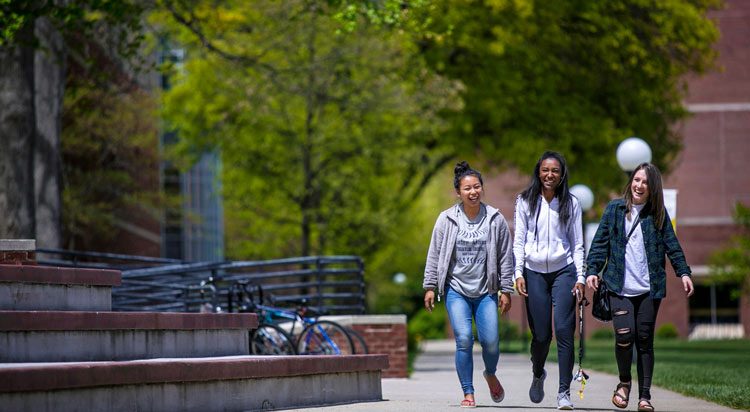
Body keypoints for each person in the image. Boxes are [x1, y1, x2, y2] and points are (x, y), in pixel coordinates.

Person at [585, 162, 694, 412]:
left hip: (648, 288)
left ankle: (645, 396)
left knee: (644, 340)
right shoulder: (614, 209)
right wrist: (592, 270)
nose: (639, 185)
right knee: (625, 337)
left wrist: (684, 272)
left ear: (652, 187)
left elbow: (672, 244)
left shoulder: (657, 212)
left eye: (644, 182)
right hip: (618, 286)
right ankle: (624, 383)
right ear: (630, 182)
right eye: (636, 180)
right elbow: (600, 242)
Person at [423, 161, 515, 408]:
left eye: (477, 187)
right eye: (467, 188)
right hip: (457, 291)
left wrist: (506, 290)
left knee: (491, 341)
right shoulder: (446, 220)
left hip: (486, 291)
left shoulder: (494, 219)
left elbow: (506, 257)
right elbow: (435, 253)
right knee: (463, 339)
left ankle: (490, 373)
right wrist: (430, 286)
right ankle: (468, 392)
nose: (473, 192)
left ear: (482, 188)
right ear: (458, 192)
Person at [513, 151, 585, 410]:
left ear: (562, 174)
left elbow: (578, 244)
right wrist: (518, 273)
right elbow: (518, 241)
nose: (549, 175)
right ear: (538, 172)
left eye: (555, 170)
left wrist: (580, 277)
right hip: (533, 272)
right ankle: (538, 372)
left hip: (564, 270)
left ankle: (564, 393)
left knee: (565, 332)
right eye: (545, 170)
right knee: (542, 335)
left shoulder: (571, 203)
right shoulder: (524, 201)